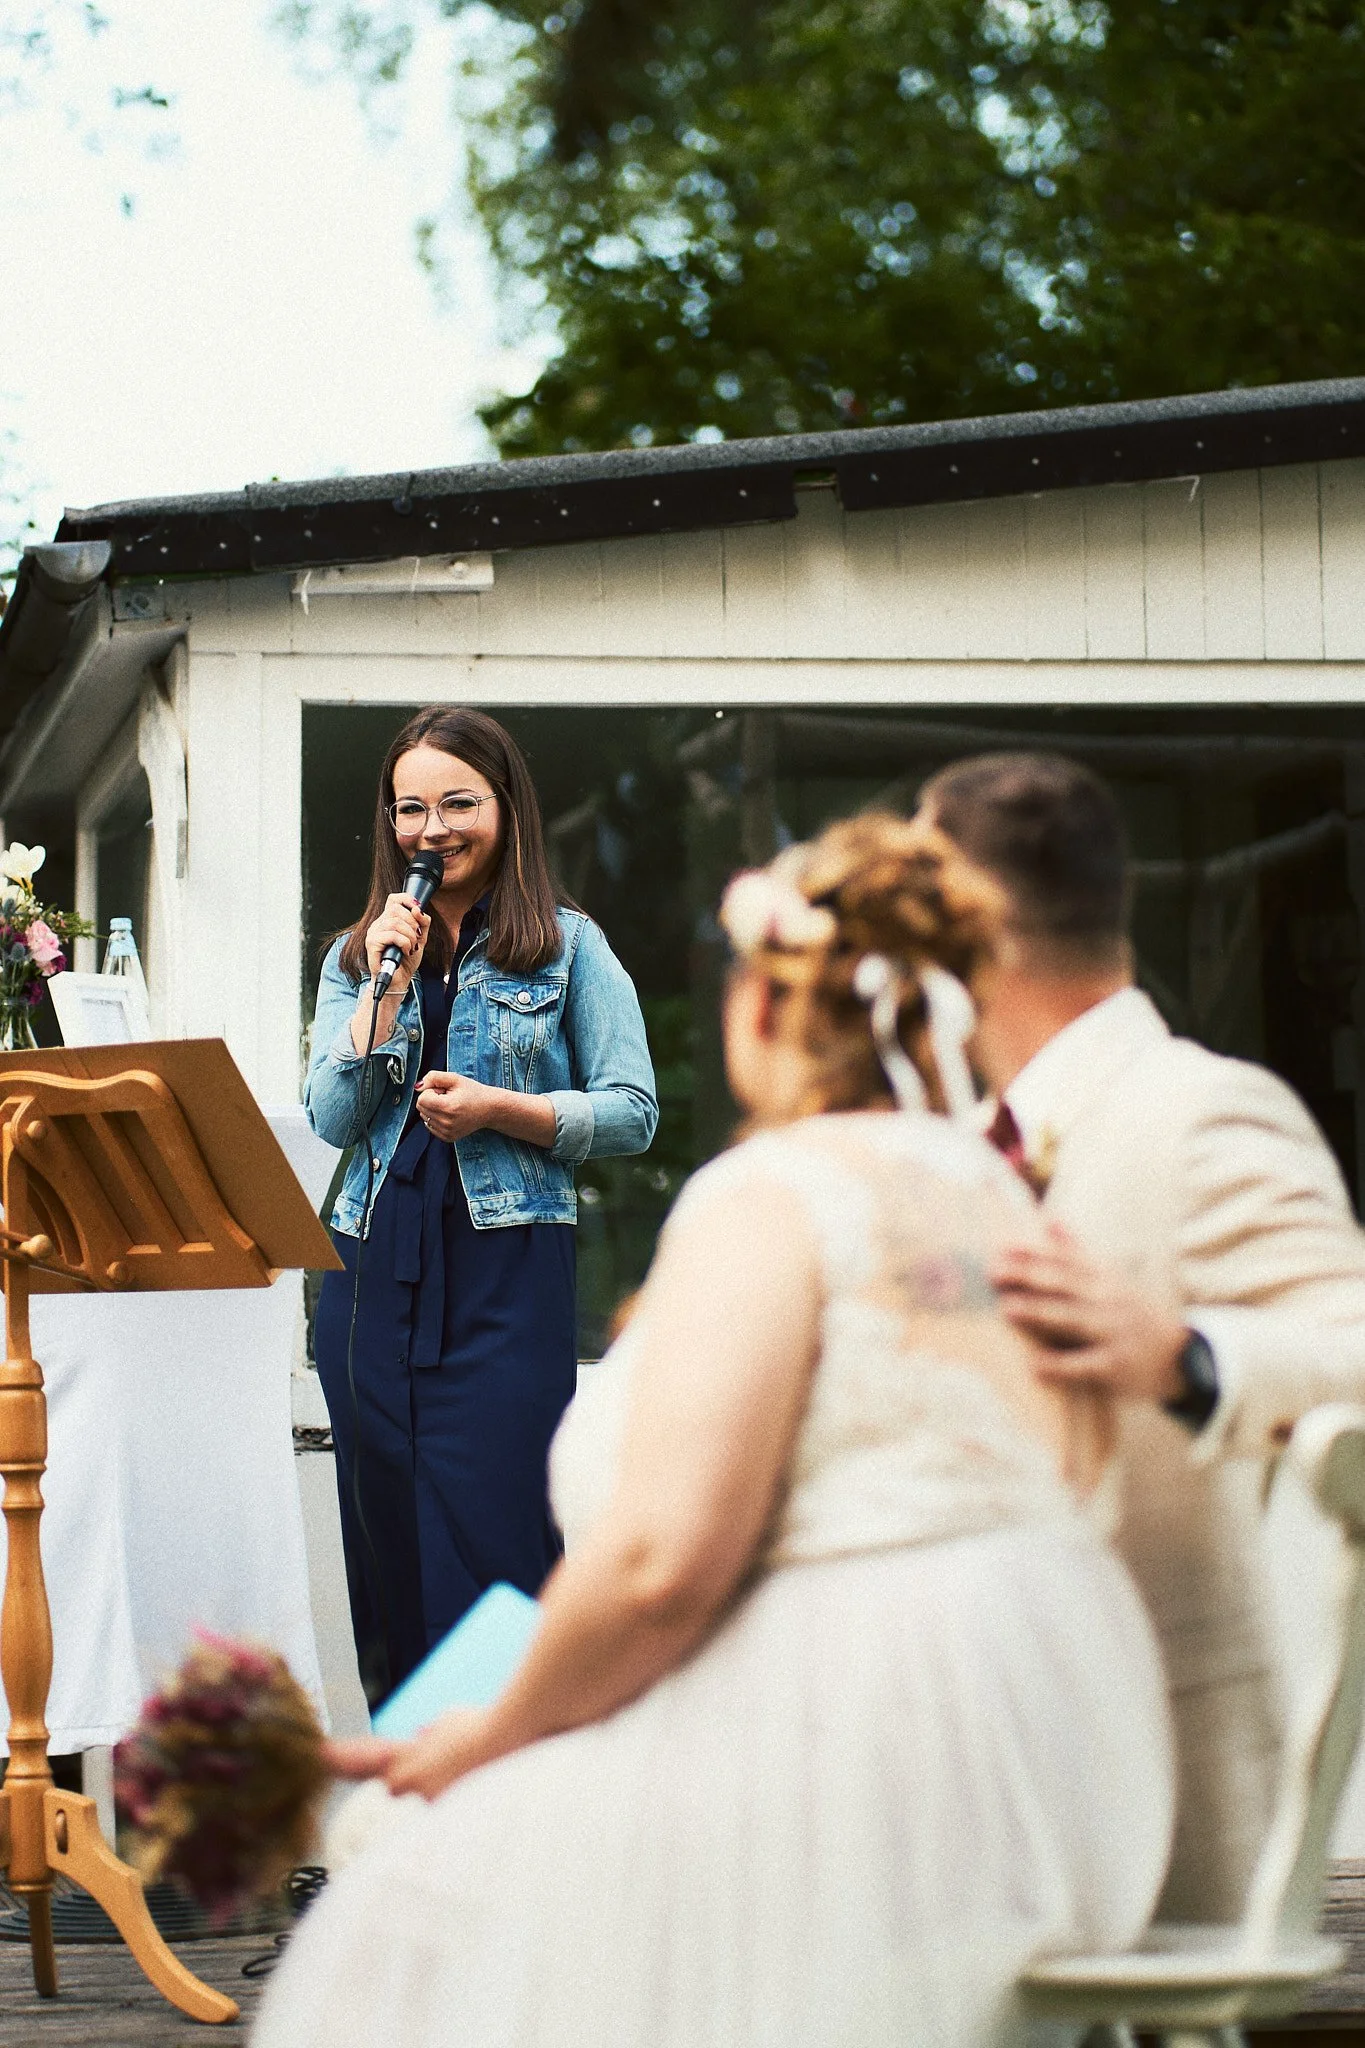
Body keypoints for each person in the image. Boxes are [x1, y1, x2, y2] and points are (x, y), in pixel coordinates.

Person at [256, 814, 1173, 2048]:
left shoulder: (772, 1195)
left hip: (868, 1741)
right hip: (1074, 1749)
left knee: (406, 1888)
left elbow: (658, 1565)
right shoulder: (997, 1194)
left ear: (761, 1012)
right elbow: (1075, 1458)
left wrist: (492, 1732)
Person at [920, 750, 1365, 1922]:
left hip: (1152, 1780)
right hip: (976, 1768)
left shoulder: (1201, 1109)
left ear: (978, 933)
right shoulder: (954, 1142)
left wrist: (1183, 1355)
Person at [304, 706, 658, 1708]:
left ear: (507, 808)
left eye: (458, 802)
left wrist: (506, 1109)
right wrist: (384, 986)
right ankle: (410, 1804)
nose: (433, 827)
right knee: (384, 1544)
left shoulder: (568, 948)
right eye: (411, 807)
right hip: (372, 1269)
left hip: (504, 1272)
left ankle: (511, 1814)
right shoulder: (356, 956)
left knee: (501, 1536)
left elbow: (634, 1111)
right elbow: (336, 1113)